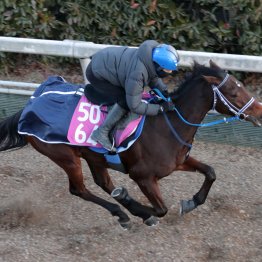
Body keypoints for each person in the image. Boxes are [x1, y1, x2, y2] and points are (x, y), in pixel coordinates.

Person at [84, 40, 180, 151]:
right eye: (168, 70)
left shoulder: (149, 58)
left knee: (130, 96)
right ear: (159, 67)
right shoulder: (138, 73)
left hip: (105, 63)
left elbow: (153, 76)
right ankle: (101, 132)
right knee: (125, 100)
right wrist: (160, 108)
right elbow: (134, 106)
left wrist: (163, 91)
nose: (170, 72)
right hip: (96, 74)